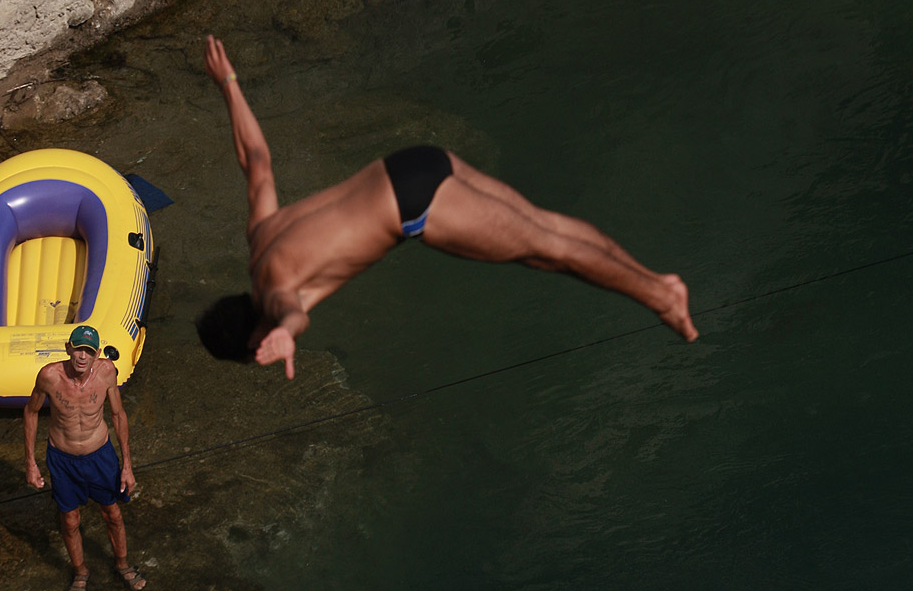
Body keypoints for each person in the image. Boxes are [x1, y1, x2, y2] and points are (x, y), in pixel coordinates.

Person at [198, 34, 698, 379]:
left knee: (549, 250)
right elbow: (256, 161)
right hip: (413, 163)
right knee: (547, 231)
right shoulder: (259, 240)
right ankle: (659, 282)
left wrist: (285, 335)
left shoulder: (277, 296)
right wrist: (229, 83)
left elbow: (292, 313)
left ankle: (660, 298)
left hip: (417, 204)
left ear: (250, 345)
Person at [23, 325, 147, 591]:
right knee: (69, 520)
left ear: (97, 354)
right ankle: (80, 571)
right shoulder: (49, 377)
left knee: (112, 513)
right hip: (62, 458)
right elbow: (31, 413)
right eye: (78, 349)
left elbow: (118, 415)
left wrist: (127, 465)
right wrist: (30, 462)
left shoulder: (106, 373)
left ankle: (122, 564)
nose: (82, 356)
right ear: (68, 348)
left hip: (99, 456)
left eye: (88, 351)